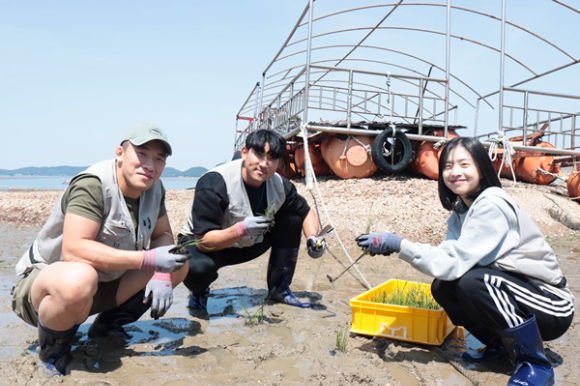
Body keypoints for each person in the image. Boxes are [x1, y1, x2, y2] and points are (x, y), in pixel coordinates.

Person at [356, 136, 574, 386]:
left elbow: (453, 262)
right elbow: (448, 262)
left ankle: (535, 364)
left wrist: (399, 244)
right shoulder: (461, 212)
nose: (455, 172)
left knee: (474, 282)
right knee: (443, 287)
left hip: (552, 304)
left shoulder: (492, 204)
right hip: (520, 295)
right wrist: (397, 246)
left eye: (464, 164)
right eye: (448, 166)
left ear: (481, 168)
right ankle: (500, 347)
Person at [11, 123, 190, 377]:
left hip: (106, 284)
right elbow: (75, 250)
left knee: (178, 263)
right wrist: (148, 258)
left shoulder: (154, 188)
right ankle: (54, 350)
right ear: (120, 153)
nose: (150, 165)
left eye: (159, 159)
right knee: (79, 280)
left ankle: (107, 327)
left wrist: (161, 272)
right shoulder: (94, 185)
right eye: (142, 154)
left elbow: (162, 234)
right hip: (50, 287)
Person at [179, 129, 325, 310]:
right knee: (197, 270)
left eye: (272, 158)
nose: (264, 163)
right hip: (206, 246)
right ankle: (199, 292)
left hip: (249, 243)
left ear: (279, 162)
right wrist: (240, 229)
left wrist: (313, 238)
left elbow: (306, 212)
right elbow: (202, 242)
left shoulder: (281, 185)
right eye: (258, 154)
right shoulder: (214, 182)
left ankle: (279, 289)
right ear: (244, 153)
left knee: (293, 219)